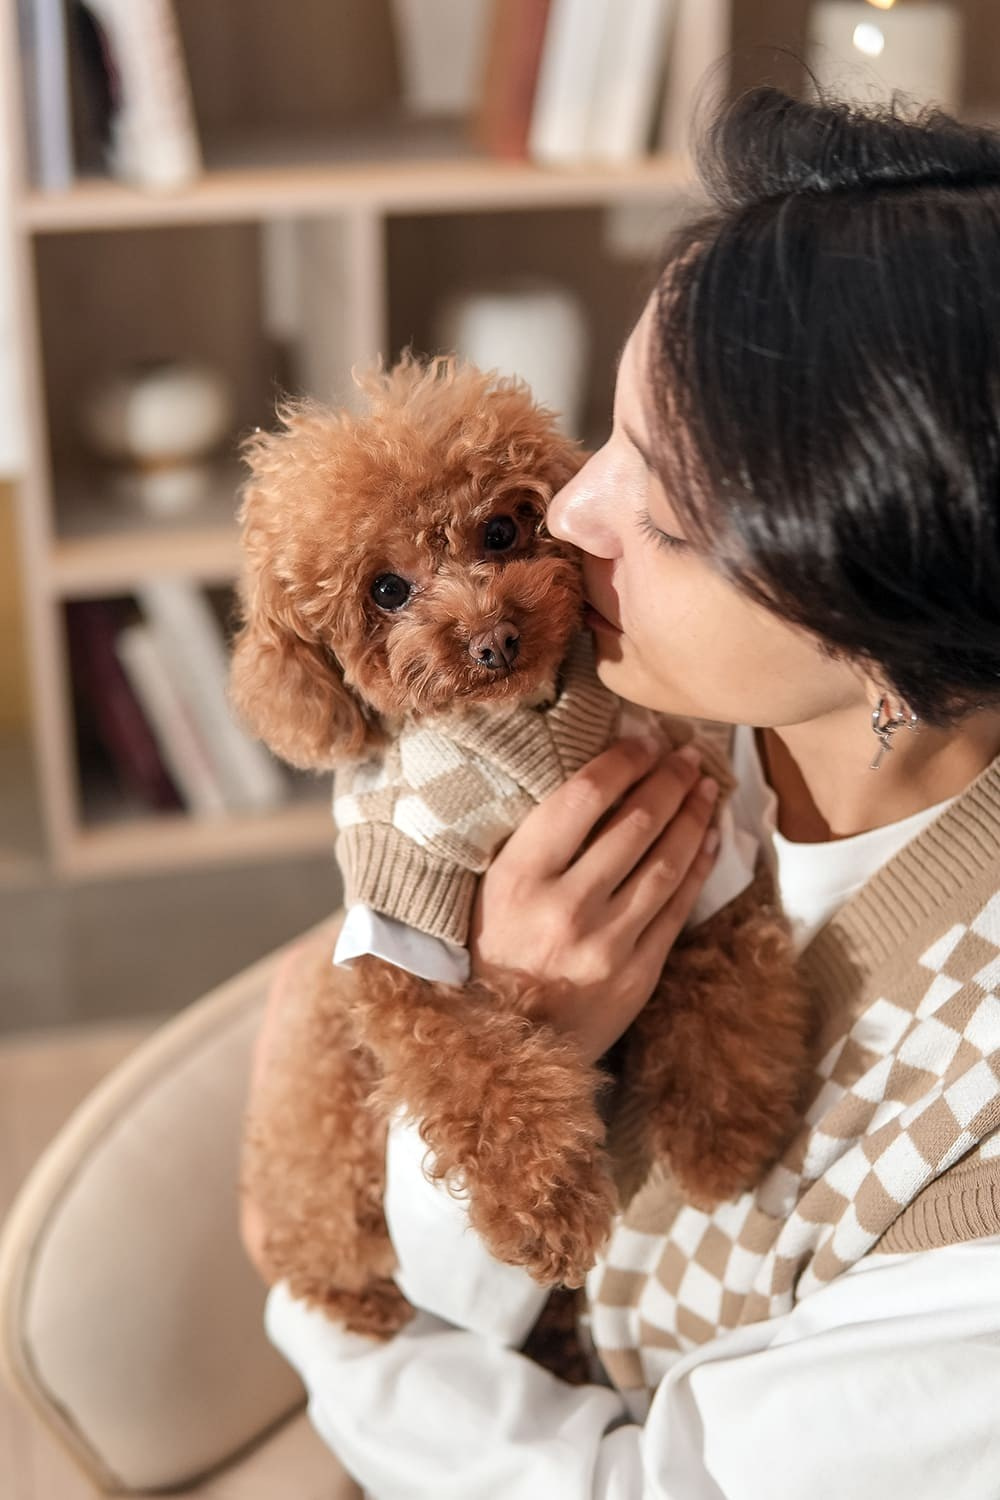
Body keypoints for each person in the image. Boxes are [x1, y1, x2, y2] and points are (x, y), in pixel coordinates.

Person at [242, 86, 1000, 1498]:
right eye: (612, 429)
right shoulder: (623, 702)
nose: (574, 511)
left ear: (882, 615)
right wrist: (514, 1023)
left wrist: (340, 1344)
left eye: (662, 499)